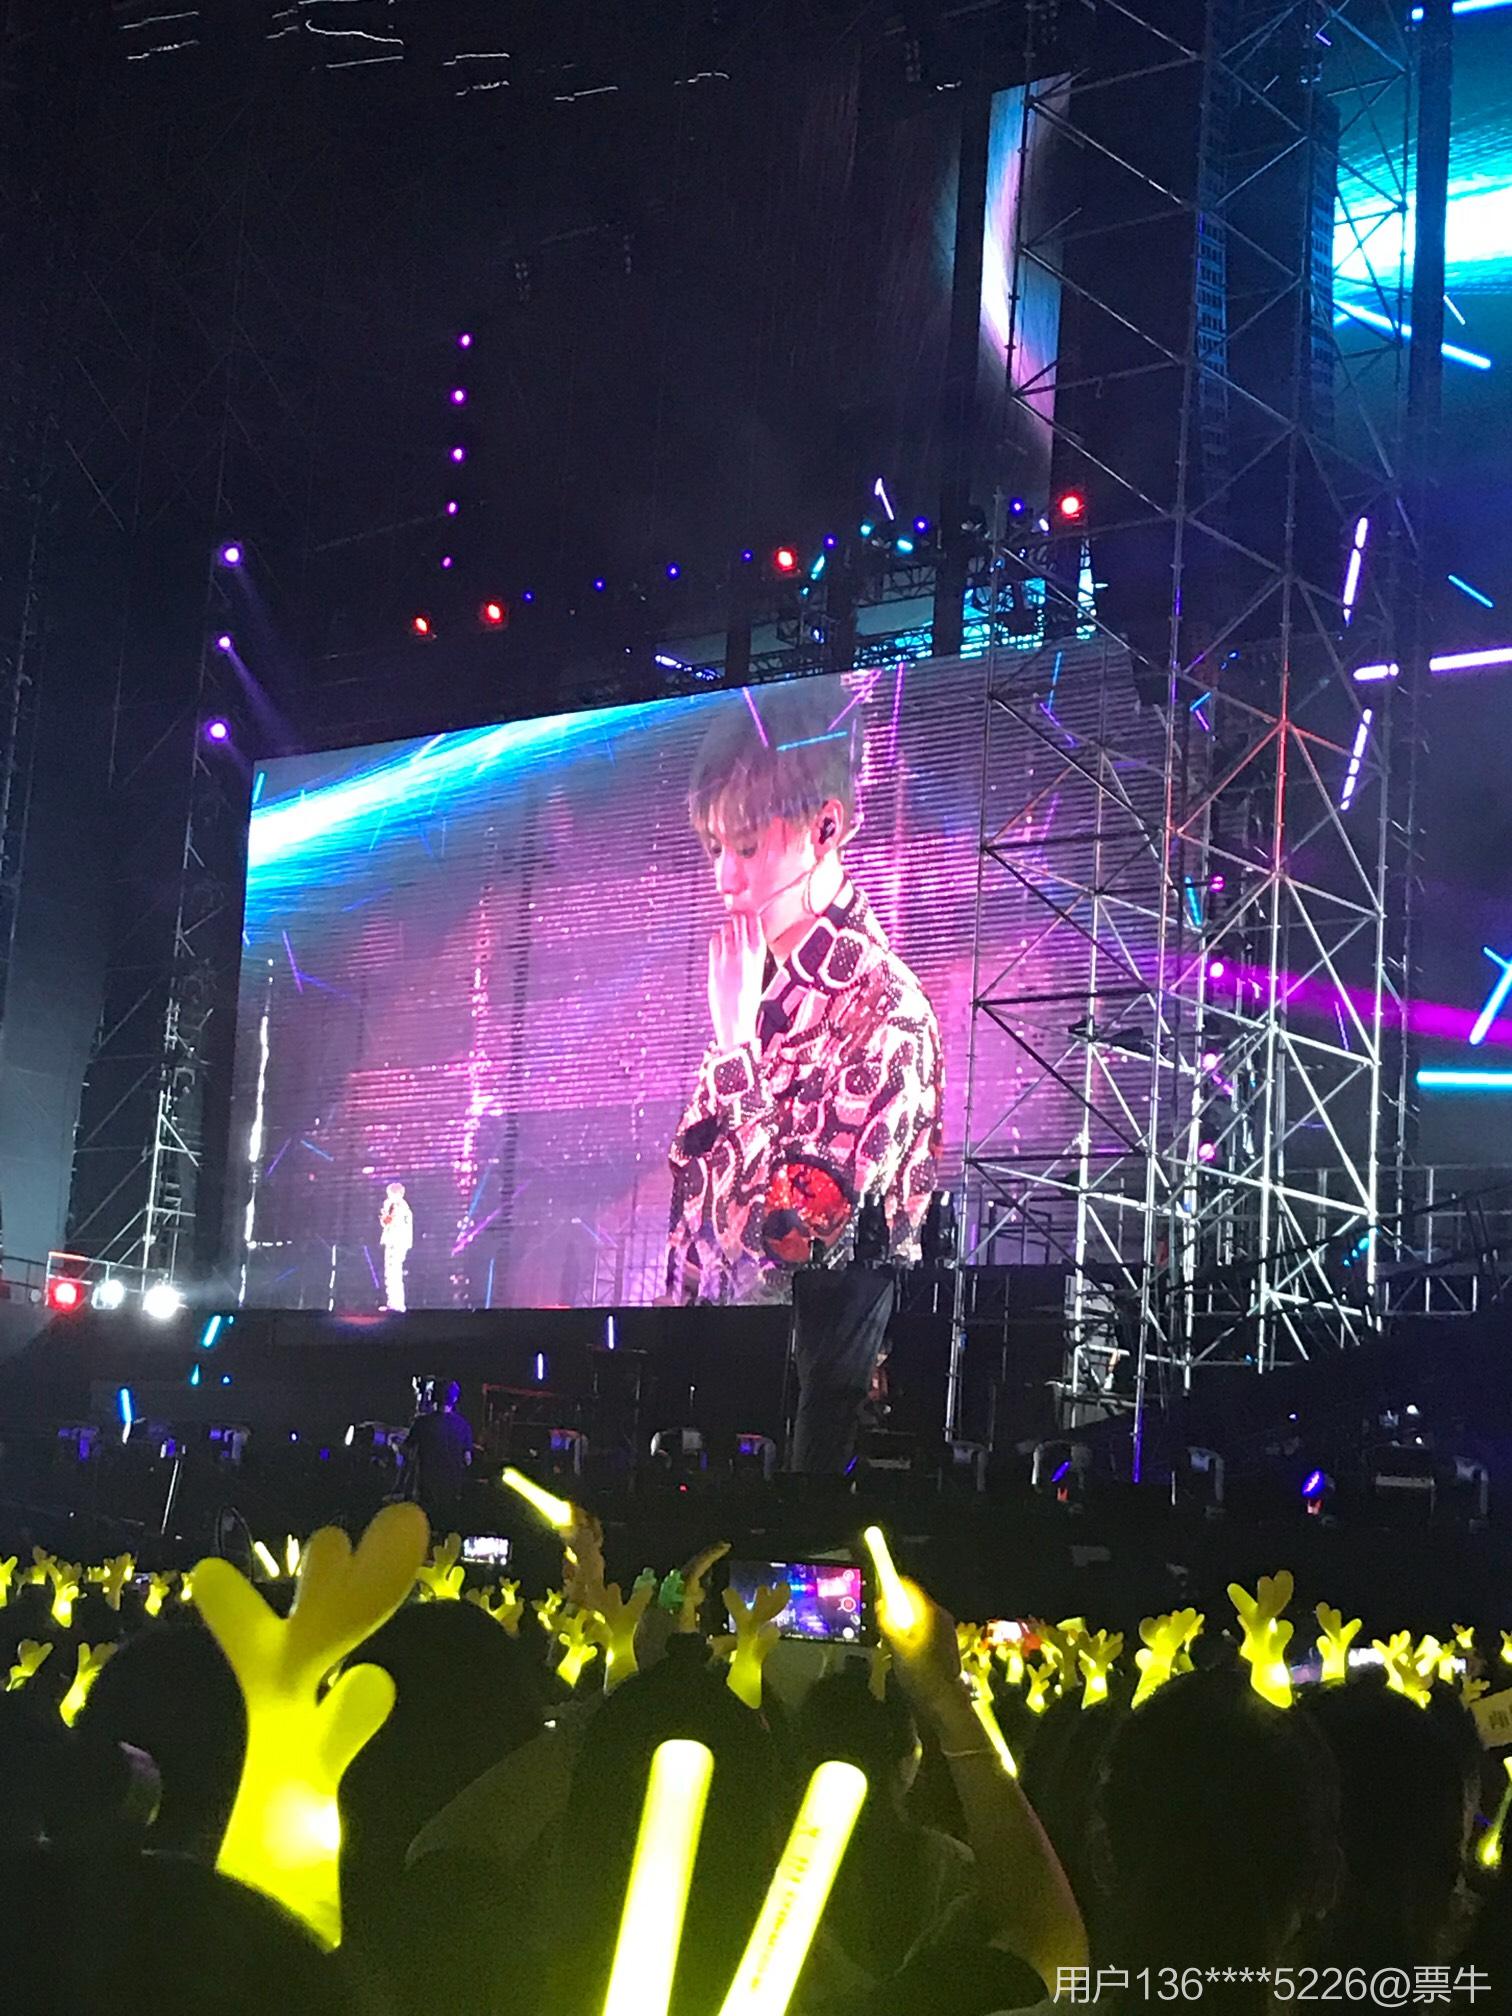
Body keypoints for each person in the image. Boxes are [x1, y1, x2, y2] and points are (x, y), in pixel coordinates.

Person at [665, 682, 944, 1470]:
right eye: (715, 850)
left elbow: (786, 1244)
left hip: (807, 1428)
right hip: (718, 1414)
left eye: (748, 847)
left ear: (825, 827)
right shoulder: (761, 993)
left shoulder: (885, 1010)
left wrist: (734, 1056)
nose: (724, 879)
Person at [403, 1378, 473, 1531]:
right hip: (452, 1488)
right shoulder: (463, 1425)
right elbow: (467, 1460)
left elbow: (407, 1449)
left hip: (426, 1486)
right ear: (455, 1398)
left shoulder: (422, 1423)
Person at [379, 1181, 413, 1312]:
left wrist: (384, 1216)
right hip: (400, 1243)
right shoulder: (405, 1207)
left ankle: (396, 1304)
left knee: (392, 1274)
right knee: (394, 1273)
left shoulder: (395, 1206)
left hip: (395, 1242)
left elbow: (387, 1222)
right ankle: (394, 1303)